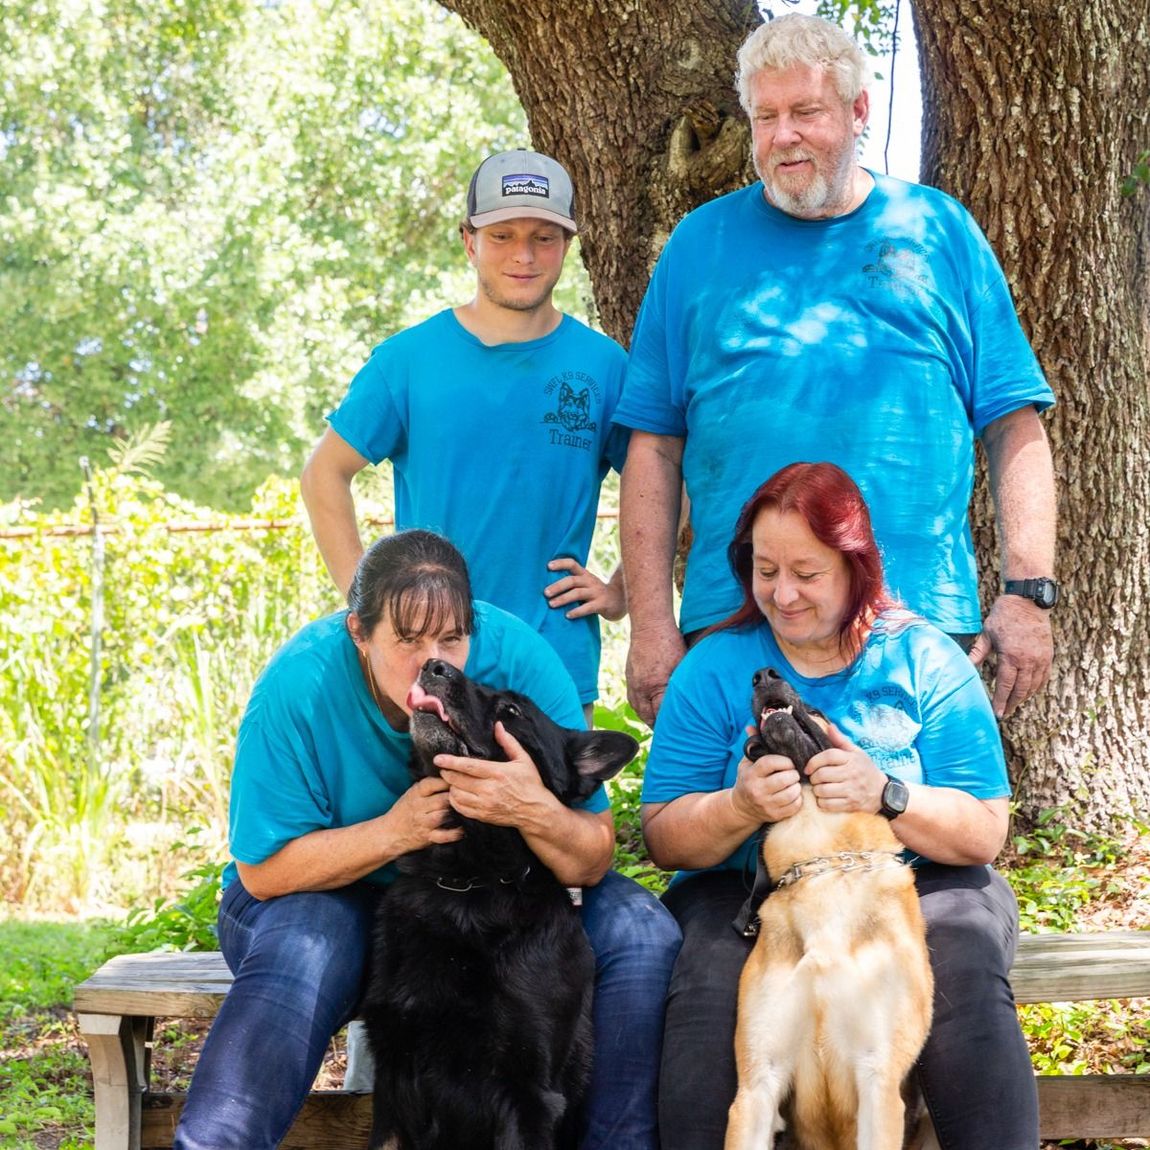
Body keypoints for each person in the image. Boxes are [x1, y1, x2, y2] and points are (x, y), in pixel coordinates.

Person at [615, 12, 1057, 727]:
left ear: (858, 112)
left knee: (917, 831)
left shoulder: (939, 231)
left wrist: (1028, 592)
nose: (782, 134)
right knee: (736, 834)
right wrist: (651, 624)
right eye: (765, 116)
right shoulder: (698, 247)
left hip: (915, 622)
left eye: (804, 111)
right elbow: (653, 449)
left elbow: (1014, 423)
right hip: (738, 622)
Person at [172, 530, 680, 1150]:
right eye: (406, 640)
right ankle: (214, 1142)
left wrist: (530, 809)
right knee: (311, 944)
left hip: (481, 896)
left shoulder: (518, 658)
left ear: (474, 630)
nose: (432, 661)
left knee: (640, 929)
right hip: (318, 891)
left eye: (451, 639)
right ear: (359, 632)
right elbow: (264, 873)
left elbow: (592, 853)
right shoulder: (297, 687)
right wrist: (394, 831)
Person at [640, 461, 1037, 1150]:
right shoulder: (713, 667)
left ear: (855, 566)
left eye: (807, 572)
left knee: (963, 976)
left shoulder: (924, 660)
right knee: (705, 1011)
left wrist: (886, 794)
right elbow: (664, 838)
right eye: (766, 570)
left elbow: (983, 831)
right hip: (745, 890)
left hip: (916, 874)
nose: (783, 593)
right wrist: (737, 807)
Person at [301, 148, 629, 725]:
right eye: (502, 235)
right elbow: (323, 475)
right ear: (468, 240)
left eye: (544, 237)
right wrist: (371, 607)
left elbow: (670, 479)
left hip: (551, 656)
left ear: (568, 246)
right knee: (433, 816)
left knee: (557, 816)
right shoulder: (408, 361)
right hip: (425, 662)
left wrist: (623, 587)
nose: (523, 255)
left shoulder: (603, 366)